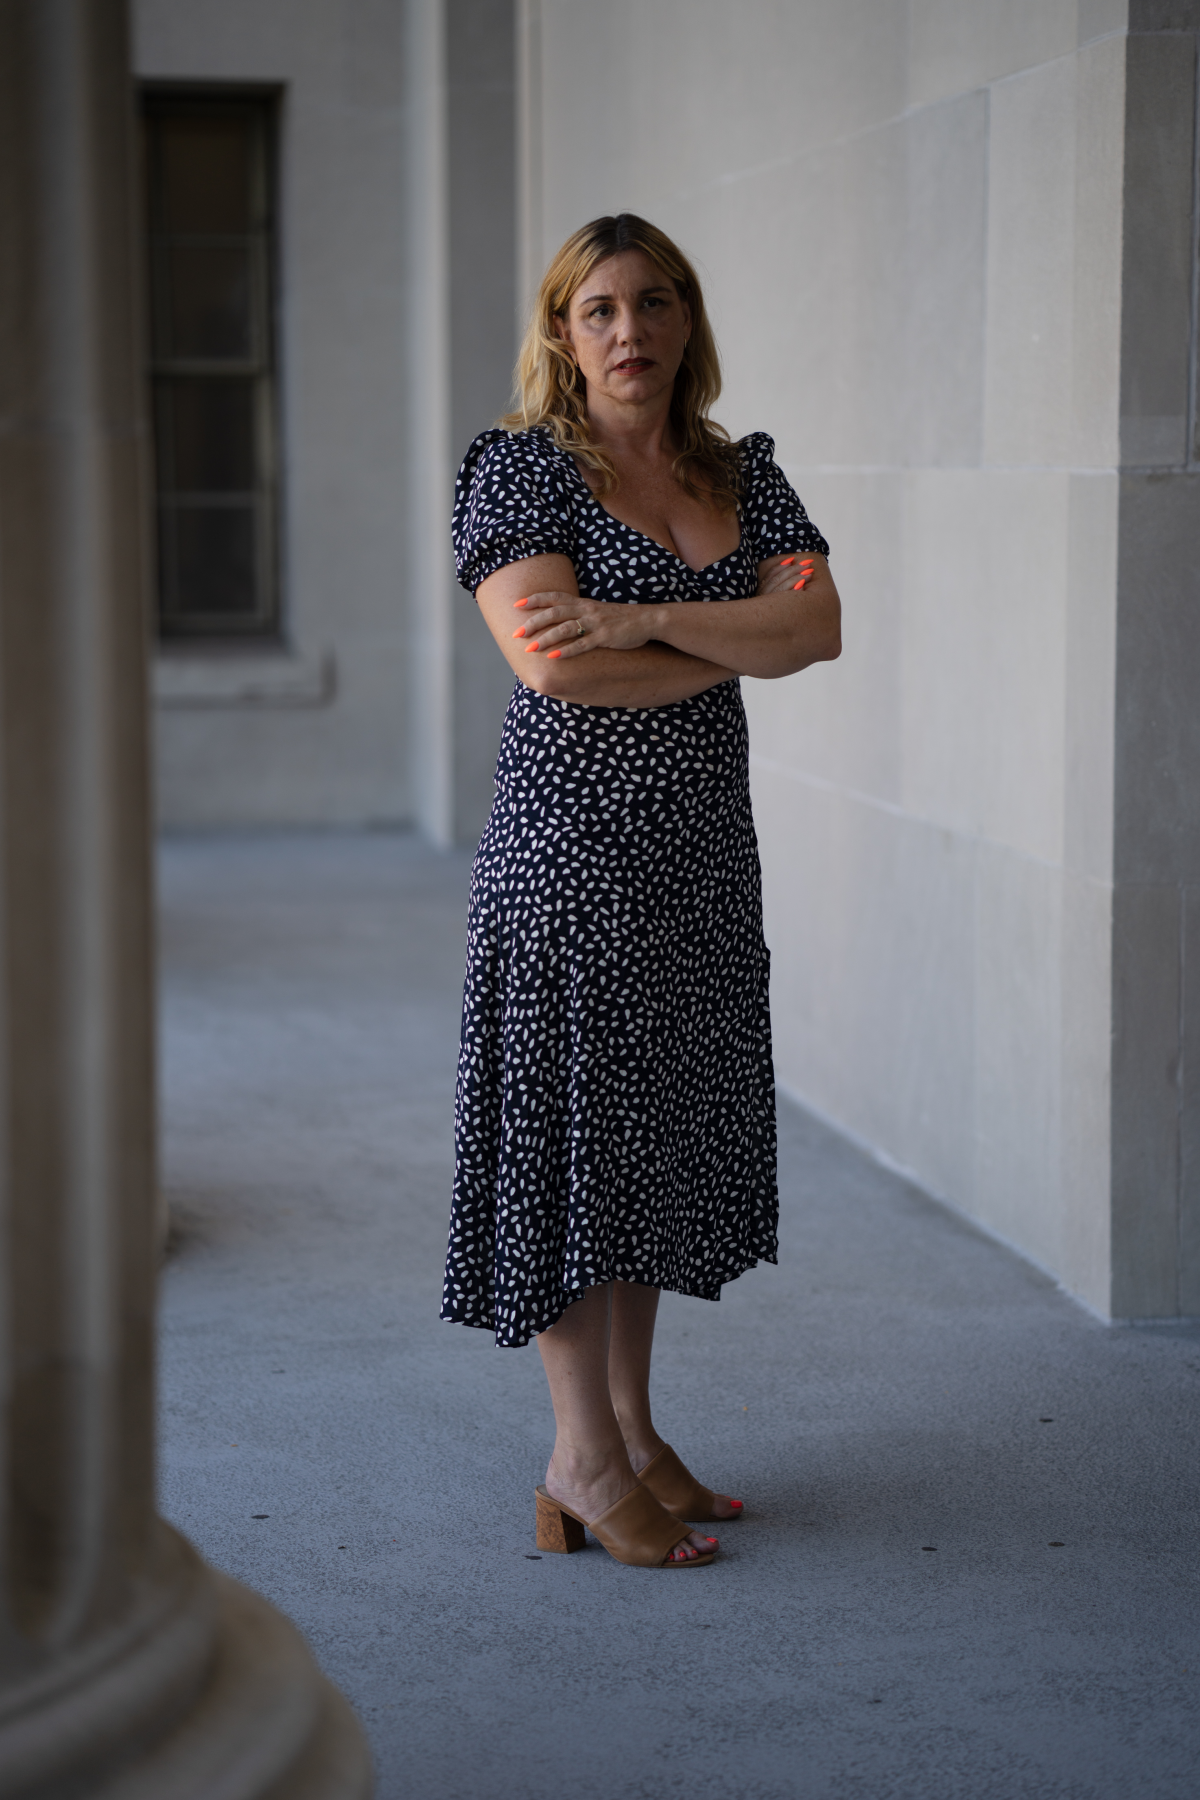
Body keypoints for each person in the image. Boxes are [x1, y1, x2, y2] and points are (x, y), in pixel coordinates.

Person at [441, 213, 840, 1568]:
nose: (631, 330)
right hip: (569, 861)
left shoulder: (743, 474)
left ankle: (633, 1431)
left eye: (655, 302)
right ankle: (579, 1459)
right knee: (576, 1148)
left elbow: (818, 619)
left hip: (698, 861)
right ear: (563, 332)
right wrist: (730, 643)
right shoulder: (521, 472)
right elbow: (553, 664)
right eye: (601, 308)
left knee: (647, 1142)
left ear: (687, 320)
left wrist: (643, 618)